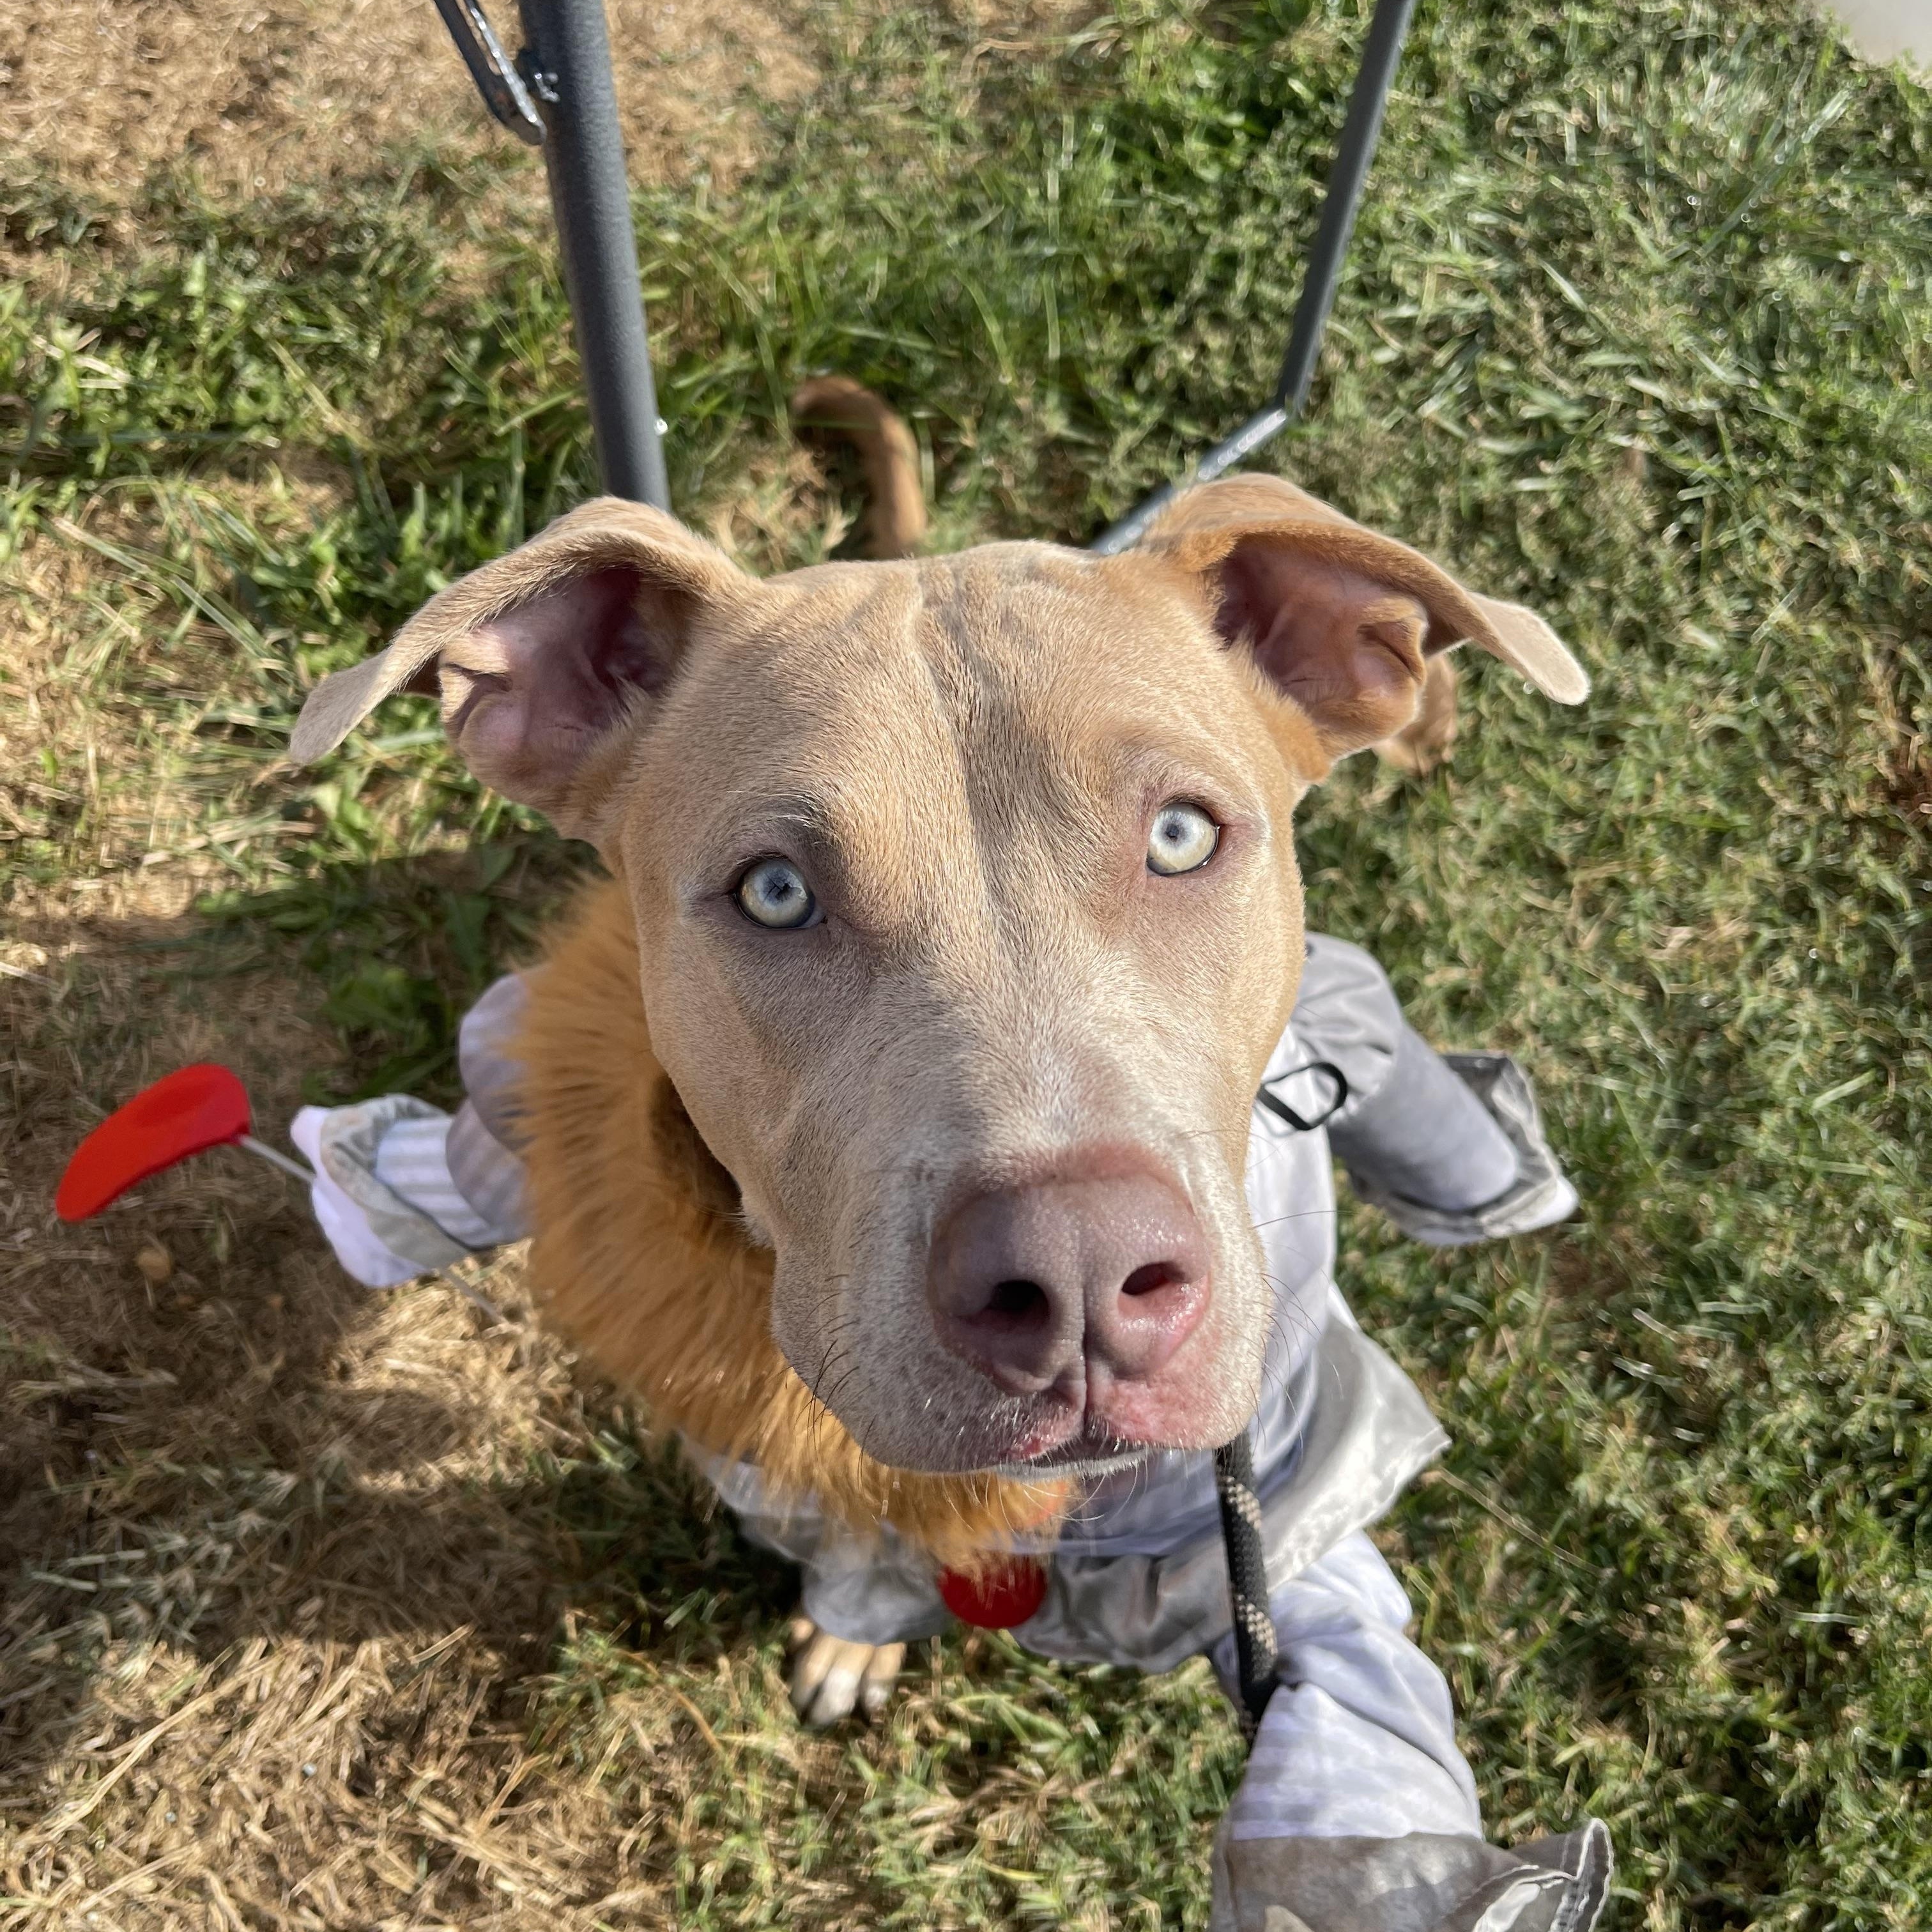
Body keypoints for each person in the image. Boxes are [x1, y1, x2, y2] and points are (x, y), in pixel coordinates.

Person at [291, 935, 1607, 1932]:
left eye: (1178, 843)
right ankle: (868, 1601)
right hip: (816, 1381)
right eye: (776, 898)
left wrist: (1472, 1169)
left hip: (1228, 1471)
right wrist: (1483, 1177)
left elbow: (1342, 1011)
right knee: (819, 1479)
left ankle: (1382, 1869)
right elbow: (532, 1118)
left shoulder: (1295, 1007)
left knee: (1319, 1603)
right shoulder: (603, 1074)